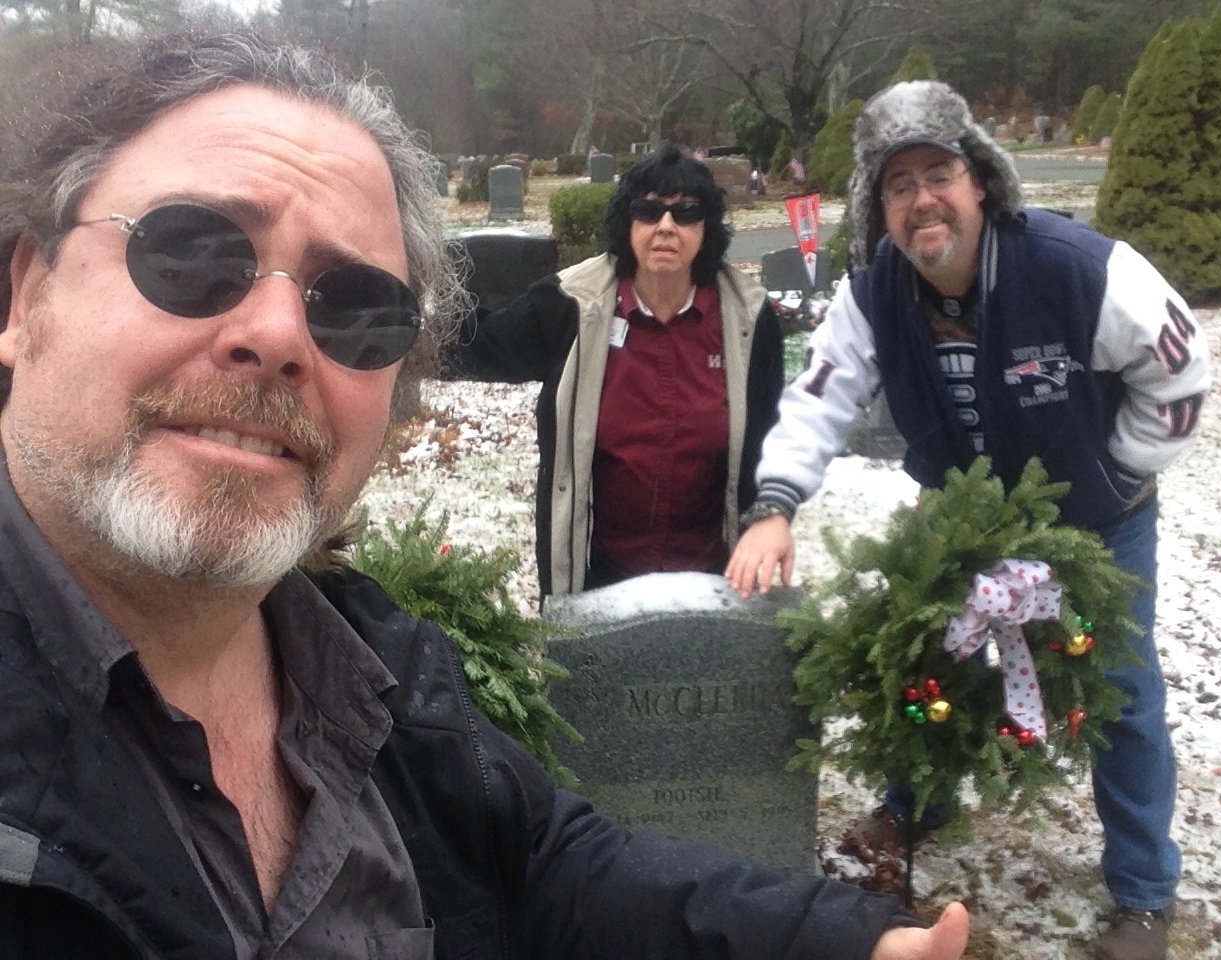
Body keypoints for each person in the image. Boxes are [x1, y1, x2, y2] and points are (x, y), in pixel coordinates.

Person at [0, 32, 970, 959]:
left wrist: (823, 939)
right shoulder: (576, 305)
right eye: (191, 256)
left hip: (711, 566)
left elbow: (544, 870)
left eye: (355, 306)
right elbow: (486, 342)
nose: (280, 334)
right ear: (22, 292)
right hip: (598, 567)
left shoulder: (385, 682)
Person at [727, 79, 1210, 960]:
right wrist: (774, 504)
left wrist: (1111, 477)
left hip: (1097, 521)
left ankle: (1143, 892)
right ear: (879, 207)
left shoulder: (1076, 268)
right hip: (959, 515)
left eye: (939, 174)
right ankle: (917, 804)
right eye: (898, 184)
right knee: (928, 662)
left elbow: (1179, 372)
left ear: (980, 179)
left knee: (1123, 693)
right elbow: (818, 400)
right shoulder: (873, 295)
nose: (922, 200)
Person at [447, 144, 783, 597]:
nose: (666, 226)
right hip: (599, 578)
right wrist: (396, 322)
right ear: (628, 222)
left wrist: (771, 514)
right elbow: (478, 346)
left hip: (714, 579)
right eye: (649, 211)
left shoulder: (749, 319)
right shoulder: (571, 305)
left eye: (686, 213)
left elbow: (773, 441)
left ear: (706, 228)